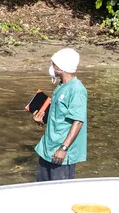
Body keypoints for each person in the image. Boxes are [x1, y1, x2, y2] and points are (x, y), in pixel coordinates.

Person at [34, 47, 87, 181]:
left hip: (61, 153)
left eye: (53, 64)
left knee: (60, 194)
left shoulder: (77, 89)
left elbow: (78, 121)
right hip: (47, 149)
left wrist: (63, 148)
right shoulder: (61, 85)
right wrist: (41, 120)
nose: (51, 67)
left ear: (61, 67)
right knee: (41, 190)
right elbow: (59, 115)